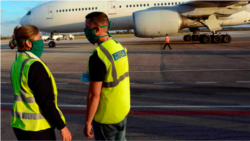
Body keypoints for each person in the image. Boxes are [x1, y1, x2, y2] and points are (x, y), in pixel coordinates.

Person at [9, 25, 72, 141]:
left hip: (20, 125)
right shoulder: (34, 66)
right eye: (39, 37)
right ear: (28, 43)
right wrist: (62, 127)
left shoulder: (18, 62)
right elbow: (46, 102)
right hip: (37, 129)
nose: (42, 41)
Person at [83, 12, 130, 141]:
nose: (85, 30)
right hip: (122, 110)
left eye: (87, 27)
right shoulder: (118, 47)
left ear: (97, 29)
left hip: (107, 117)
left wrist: (88, 122)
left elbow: (94, 95)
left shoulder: (99, 56)